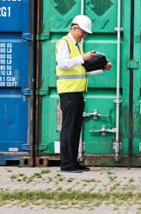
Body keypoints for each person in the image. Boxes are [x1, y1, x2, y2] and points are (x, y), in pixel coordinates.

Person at [56, 14, 112, 173]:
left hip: (77, 92)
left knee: (75, 129)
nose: (84, 35)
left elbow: (82, 72)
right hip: (68, 93)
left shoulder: (76, 46)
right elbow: (63, 64)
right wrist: (83, 57)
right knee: (68, 129)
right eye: (83, 32)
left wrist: (102, 68)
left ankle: (73, 162)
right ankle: (66, 165)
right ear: (74, 28)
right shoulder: (64, 43)